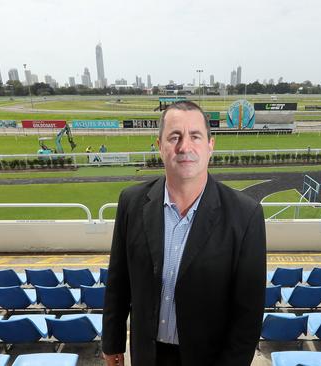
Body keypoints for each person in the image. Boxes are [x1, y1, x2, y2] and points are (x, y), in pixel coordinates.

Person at [103, 101, 266, 366]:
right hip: (147, 356)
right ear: (159, 146)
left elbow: (248, 315)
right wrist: (112, 344)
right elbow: (118, 281)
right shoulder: (131, 202)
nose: (184, 147)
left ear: (210, 145)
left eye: (195, 136)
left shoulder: (245, 215)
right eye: (174, 137)